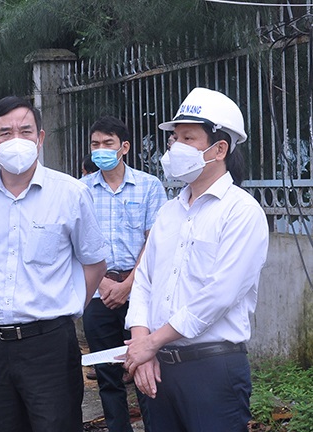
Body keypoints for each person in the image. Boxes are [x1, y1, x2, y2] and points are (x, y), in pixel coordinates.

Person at [0, 96, 109, 432]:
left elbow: (94, 264)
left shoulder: (71, 194)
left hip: (48, 345)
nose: (16, 140)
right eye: (5, 133)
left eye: (25, 131)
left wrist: (69, 305)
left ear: (40, 138)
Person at [124, 87, 269, 431]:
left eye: (188, 138)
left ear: (219, 148)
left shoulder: (242, 212)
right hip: (157, 369)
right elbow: (144, 282)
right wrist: (143, 345)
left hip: (212, 371)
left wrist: (150, 343)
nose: (174, 148)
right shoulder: (169, 213)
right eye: (174, 139)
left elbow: (219, 295)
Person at [80, 116, 166, 432]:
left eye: (108, 144)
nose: (100, 150)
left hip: (140, 291)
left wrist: (129, 285)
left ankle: (155, 425)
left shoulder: (149, 186)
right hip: (98, 292)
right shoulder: (81, 190)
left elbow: (153, 240)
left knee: (144, 364)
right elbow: (77, 244)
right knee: (107, 373)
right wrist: (102, 283)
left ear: (124, 147)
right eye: (95, 144)